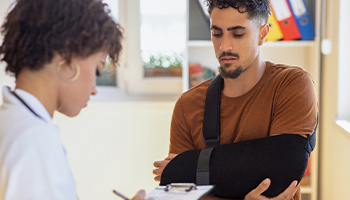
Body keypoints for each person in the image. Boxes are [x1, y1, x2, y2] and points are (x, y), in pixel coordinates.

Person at [153, 0, 318, 200]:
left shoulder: (291, 85)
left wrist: (185, 167)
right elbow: (179, 193)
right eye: (217, 33)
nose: (224, 46)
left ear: (263, 34)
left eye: (238, 33)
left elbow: (282, 168)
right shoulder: (188, 105)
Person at [0, 0, 146, 199]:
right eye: (97, 69)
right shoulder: (34, 141)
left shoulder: (13, 122)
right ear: (68, 58)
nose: (94, 90)